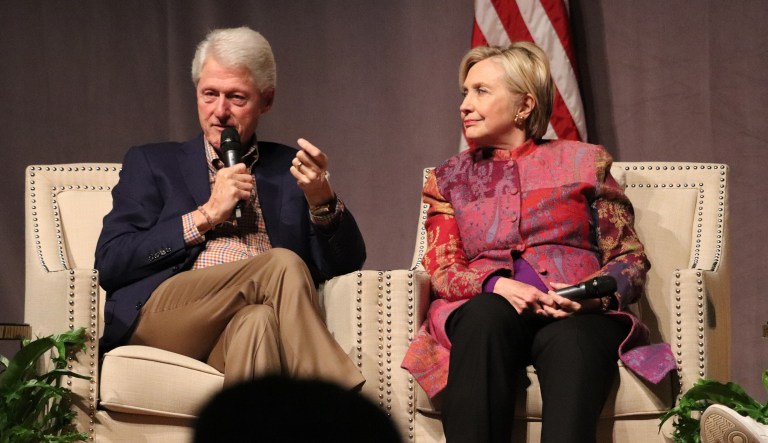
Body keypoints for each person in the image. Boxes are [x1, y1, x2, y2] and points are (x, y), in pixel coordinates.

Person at [401, 42, 675, 442]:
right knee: (485, 316)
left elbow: (628, 257)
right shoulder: (447, 179)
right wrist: (496, 285)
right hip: (486, 309)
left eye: (480, 91)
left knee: (573, 341)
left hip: (575, 314)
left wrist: (588, 295)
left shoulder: (586, 162)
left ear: (524, 105)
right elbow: (442, 267)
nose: (464, 104)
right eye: (464, 92)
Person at [94, 27, 365, 390]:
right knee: (281, 263)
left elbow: (346, 264)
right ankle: (339, 405)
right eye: (209, 94)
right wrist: (205, 215)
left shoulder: (289, 169)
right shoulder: (153, 163)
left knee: (258, 323)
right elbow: (111, 262)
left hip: (240, 324)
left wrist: (322, 202)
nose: (219, 111)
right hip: (166, 316)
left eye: (236, 98)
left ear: (266, 101)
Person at [194, 375, 402, 443]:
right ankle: (344, 401)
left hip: (239, 315)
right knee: (286, 270)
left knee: (258, 319)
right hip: (174, 295)